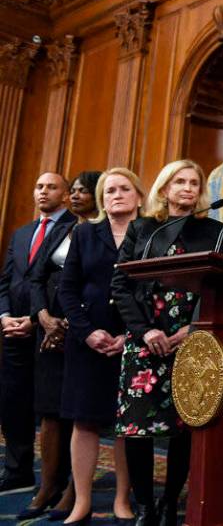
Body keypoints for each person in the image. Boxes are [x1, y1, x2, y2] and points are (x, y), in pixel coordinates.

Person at [111, 160, 223, 526]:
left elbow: (219, 289)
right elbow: (120, 285)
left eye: (194, 182)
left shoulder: (215, 230)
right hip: (145, 338)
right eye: (180, 181)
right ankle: (144, 504)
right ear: (164, 188)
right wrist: (145, 331)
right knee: (138, 428)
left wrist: (191, 331)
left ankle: (170, 502)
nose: (188, 188)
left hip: (190, 339)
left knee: (185, 426)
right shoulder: (142, 228)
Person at [59, 168, 143, 525]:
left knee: (126, 423)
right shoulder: (84, 233)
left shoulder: (150, 233)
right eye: (109, 190)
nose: (116, 195)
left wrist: (131, 334)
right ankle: (82, 501)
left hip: (132, 338)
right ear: (101, 198)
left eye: (124, 189)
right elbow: (67, 289)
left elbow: (151, 290)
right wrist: (86, 332)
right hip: (88, 340)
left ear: (138, 195)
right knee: (85, 421)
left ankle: (123, 498)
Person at [23, 171, 102, 520]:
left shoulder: (103, 231)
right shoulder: (61, 228)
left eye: (86, 191)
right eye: (77, 191)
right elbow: (36, 276)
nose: (78, 196)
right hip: (49, 329)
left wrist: (72, 321)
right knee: (49, 410)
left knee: (78, 410)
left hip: (82, 328)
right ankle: (48, 484)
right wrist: (42, 316)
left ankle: (74, 488)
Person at [0, 173, 73, 497]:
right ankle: (17, 472)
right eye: (39, 186)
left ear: (67, 195)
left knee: (49, 409)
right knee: (13, 401)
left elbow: (61, 284)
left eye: (52, 186)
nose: (43, 191)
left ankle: (54, 480)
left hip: (50, 329)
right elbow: (6, 282)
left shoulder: (76, 228)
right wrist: (3, 316)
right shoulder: (22, 233)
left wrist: (34, 319)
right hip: (12, 329)